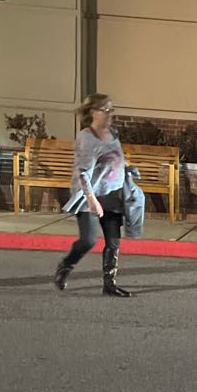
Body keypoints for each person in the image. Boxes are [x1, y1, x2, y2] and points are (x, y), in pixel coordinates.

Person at [53, 93, 133, 297]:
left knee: (113, 241)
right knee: (88, 239)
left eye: (111, 110)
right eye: (105, 110)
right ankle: (66, 266)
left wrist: (127, 171)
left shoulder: (113, 133)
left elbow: (116, 158)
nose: (109, 114)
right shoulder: (86, 138)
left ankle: (109, 283)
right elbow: (82, 172)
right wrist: (92, 200)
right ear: (93, 112)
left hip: (112, 193)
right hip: (89, 194)